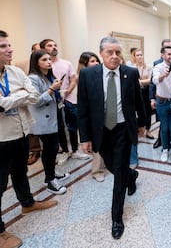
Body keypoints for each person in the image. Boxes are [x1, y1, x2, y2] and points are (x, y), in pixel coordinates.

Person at [77, 36, 146, 239]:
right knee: (113, 167)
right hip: (101, 131)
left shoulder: (130, 73)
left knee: (119, 173)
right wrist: (85, 137)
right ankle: (131, 176)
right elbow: (83, 108)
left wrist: (142, 123)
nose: (115, 56)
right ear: (101, 54)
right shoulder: (88, 75)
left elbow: (138, 101)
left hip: (123, 129)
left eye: (118, 52)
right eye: (110, 52)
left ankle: (117, 217)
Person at [0, 30, 57, 247]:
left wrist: (10, 98)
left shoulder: (15, 72)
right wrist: (16, 97)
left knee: (20, 173)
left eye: (9, 45)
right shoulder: (21, 76)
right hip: (1, 139)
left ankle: (28, 203)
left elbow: (33, 96)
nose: (10, 49)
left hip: (21, 133)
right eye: (3, 46)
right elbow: (2, 104)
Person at [40, 39, 90, 165]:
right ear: (43, 49)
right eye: (50, 46)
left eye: (55, 45)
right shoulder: (44, 66)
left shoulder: (66, 63)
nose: (54, 47)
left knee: (72, 125)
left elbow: (73, 80)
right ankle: (64, 151)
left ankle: (74, 150)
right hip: (53, 101)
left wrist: (67, 91)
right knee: (60, 127)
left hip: (69, 99)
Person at [28, 50, 71, 194]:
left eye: (49, 59)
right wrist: (52, 89)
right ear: (36, 62)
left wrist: (58, 91)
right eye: (44, 60)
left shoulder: (48, 76)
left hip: (54, 117)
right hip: (43, 121)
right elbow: (36, 101)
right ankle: (50, 180)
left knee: (52, 149)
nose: (48, 62)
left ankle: (52, 174)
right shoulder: (33, 78)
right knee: (50, 149)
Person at [76, 51, 106, 182]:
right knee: (97, 146)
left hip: (106, 115)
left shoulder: (103, 75)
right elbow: (83, 103)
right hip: (92, 117)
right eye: (92, 61)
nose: (96, 63)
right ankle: (97, 170)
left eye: (97, 61)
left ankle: (108, 165)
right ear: (84, 64)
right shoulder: (82, 77)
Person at [152, 46, 171, 166]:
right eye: (169, 54)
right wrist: (163, 75)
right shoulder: (158, 67)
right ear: (162, 55)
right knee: (164, 128)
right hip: (162, 102)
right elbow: (154, 81)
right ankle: (165, 149)